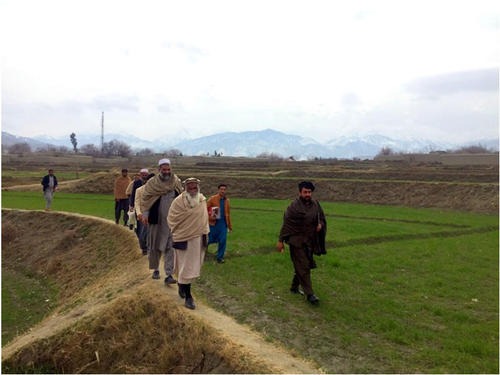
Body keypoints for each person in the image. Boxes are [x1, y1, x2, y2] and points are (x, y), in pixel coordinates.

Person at [277, 181, 327, 305]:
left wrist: (319, 225)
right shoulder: (293, 207)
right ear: (300, 192)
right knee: (303, 266)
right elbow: (286, 225)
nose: (307, 194)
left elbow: (320, 217)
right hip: (296, 242)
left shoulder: (315, 204)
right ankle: (310, 294)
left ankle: (294, 287)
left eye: (309, 192)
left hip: (309, 241)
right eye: (305, 192)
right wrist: (280, 241)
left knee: (304, 265)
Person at [168, 178, 209, 310]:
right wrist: (183, 230)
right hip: (184, 239)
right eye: (190, 186)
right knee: (186, 267)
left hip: (198, 239)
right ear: (185, 188)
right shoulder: (178, 202)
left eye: (194, 186)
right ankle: (188, 297)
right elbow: (172, 219)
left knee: (191, 266)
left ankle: (182, 285)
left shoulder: (202, 200)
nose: (192, 188)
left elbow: (203, 218)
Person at [140, 159, 182, 283]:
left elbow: (181, 198)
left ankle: (169, 275)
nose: (167, 172)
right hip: (156, 220)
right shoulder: (152, 183)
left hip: (172, 221)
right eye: (164, 170)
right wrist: (145, 215)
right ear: (159, 170)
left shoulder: (176, 181)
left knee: (171, 247)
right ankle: (156, 269)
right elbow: (146, 199)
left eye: (168, 169)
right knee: (155, 245)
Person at [207, 184, 233, 263]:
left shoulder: (227, 201)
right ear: (218, 190)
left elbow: (228, 213)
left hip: (223, 224)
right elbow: (205, 208)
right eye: (221, 189)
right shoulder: (212, 199)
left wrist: (229, 226)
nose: (223, 191)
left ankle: (220, 257)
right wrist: (211, 215)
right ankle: (202, 254)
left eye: (224, 189)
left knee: (223, 240)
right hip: (213, 223)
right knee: (208, 240)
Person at [134, 172, 155, 255]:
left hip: (153, 215)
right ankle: (144, 248)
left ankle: (150, 249)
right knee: (142, 234)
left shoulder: (157, 191)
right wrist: (139, 213)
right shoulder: (139, 190)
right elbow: (137, 202)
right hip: (142, 215)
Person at [129, 168, 150, 233]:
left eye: (145, 175)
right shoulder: (136, 182)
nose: (144, 176)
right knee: (139, 221)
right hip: (138, 204)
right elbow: (133, 194)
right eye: (143, 175)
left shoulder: (150, 183)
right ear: (140, 175)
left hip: (147, 206)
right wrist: (132, 205)